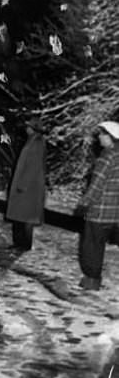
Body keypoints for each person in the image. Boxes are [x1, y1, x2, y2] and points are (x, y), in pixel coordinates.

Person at [76, 121, 119, 290]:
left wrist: (84, 203)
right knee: (101, 244)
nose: (99, 137)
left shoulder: (106, 156)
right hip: (115, 212)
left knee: (92, 246)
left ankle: (92, 279)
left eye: (102, 134)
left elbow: (97, 184)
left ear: (111, 137)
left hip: (100, 211)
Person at [5, 117, 47, 251]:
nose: (26, 128)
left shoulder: (37, 143)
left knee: (26, 217)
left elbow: (33, 166)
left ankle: (24, 244)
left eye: (28, 126)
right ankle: (19, 242)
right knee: (20, 216)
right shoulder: (32, 141)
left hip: (29, 187)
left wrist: (23, 184)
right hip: (26, 185)